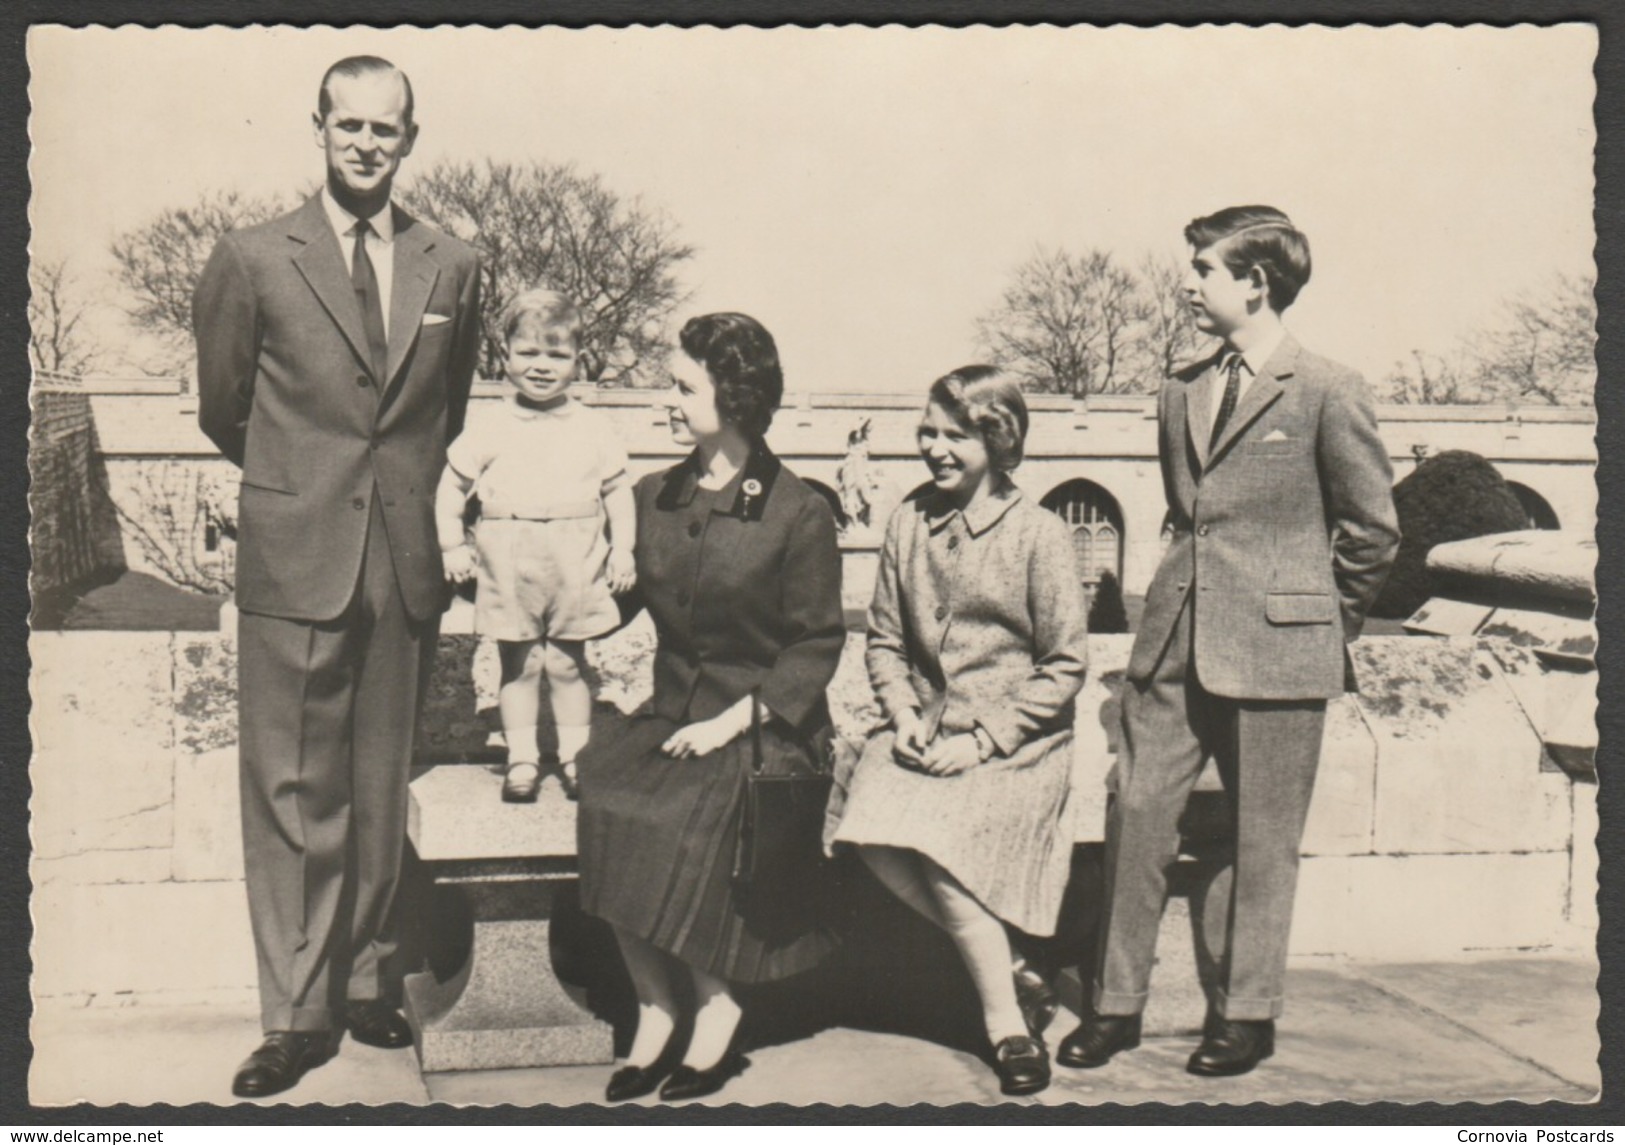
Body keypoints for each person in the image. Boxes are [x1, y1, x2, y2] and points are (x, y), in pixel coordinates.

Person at [193, 56, 482, 1098]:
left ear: (412, 137)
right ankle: (293, 1014)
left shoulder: (452, 262)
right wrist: (304, 485)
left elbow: (440, 412)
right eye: (348, 125)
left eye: (385, 129)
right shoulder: (252, 256)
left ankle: (366, 979)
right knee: (288, 792)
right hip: (295, 554)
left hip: (401, 563)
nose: (366, 143)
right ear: (316, 126)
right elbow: (223, 406)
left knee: (373, 788)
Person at [1059, 206, 1399, 1077]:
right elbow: (1188, 516)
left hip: (1280, 651)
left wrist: (1322, 622)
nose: (1185, 282)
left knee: (1263, 840)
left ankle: (1246, 1013)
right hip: (1171, 642)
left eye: (1202, 268)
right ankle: (1115, 1005)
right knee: (1136, 818)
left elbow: (1371, 532)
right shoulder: (1180, 386)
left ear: (1255, 281)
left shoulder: (1327, 387)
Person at [575, 313, 845, 1103]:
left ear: (733, 395)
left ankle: (717, 1007)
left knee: (678, 817)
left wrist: (730, 722)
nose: (666, 399)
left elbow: (813, 647)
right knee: (606, 795)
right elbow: (605, 606)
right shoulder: (652, 496)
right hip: (671, 718)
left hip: (763, 730)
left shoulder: (797, 509)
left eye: (681, 385)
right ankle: (656, 1009)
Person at [825, 366, 1090, 1097]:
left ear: (997, 439)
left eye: (954, 435)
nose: (934, 448)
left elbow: (1066, 664)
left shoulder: (1039, 533)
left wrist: (983, 740)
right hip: (923, 729)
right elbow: (882, 639)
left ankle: (1005, 1024)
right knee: (868, 830)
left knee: (942, 854)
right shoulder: (908, 517)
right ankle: (1011, 966)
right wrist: (904, 714)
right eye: (927, 432)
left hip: (1016, 747)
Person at [435, 288, 636, 803]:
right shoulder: (490, 425)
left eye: (557, 354)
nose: (542, 366)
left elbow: (618, 494)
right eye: (528, 353)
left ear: (578, 362)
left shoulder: (594, 427)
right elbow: (451, 488)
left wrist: (624, 551)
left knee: (568, 663)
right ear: (505, 357)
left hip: (575, 559)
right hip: (509, 558)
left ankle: (574, 756)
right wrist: (452, 546)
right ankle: (521, 758)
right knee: (519, 663)